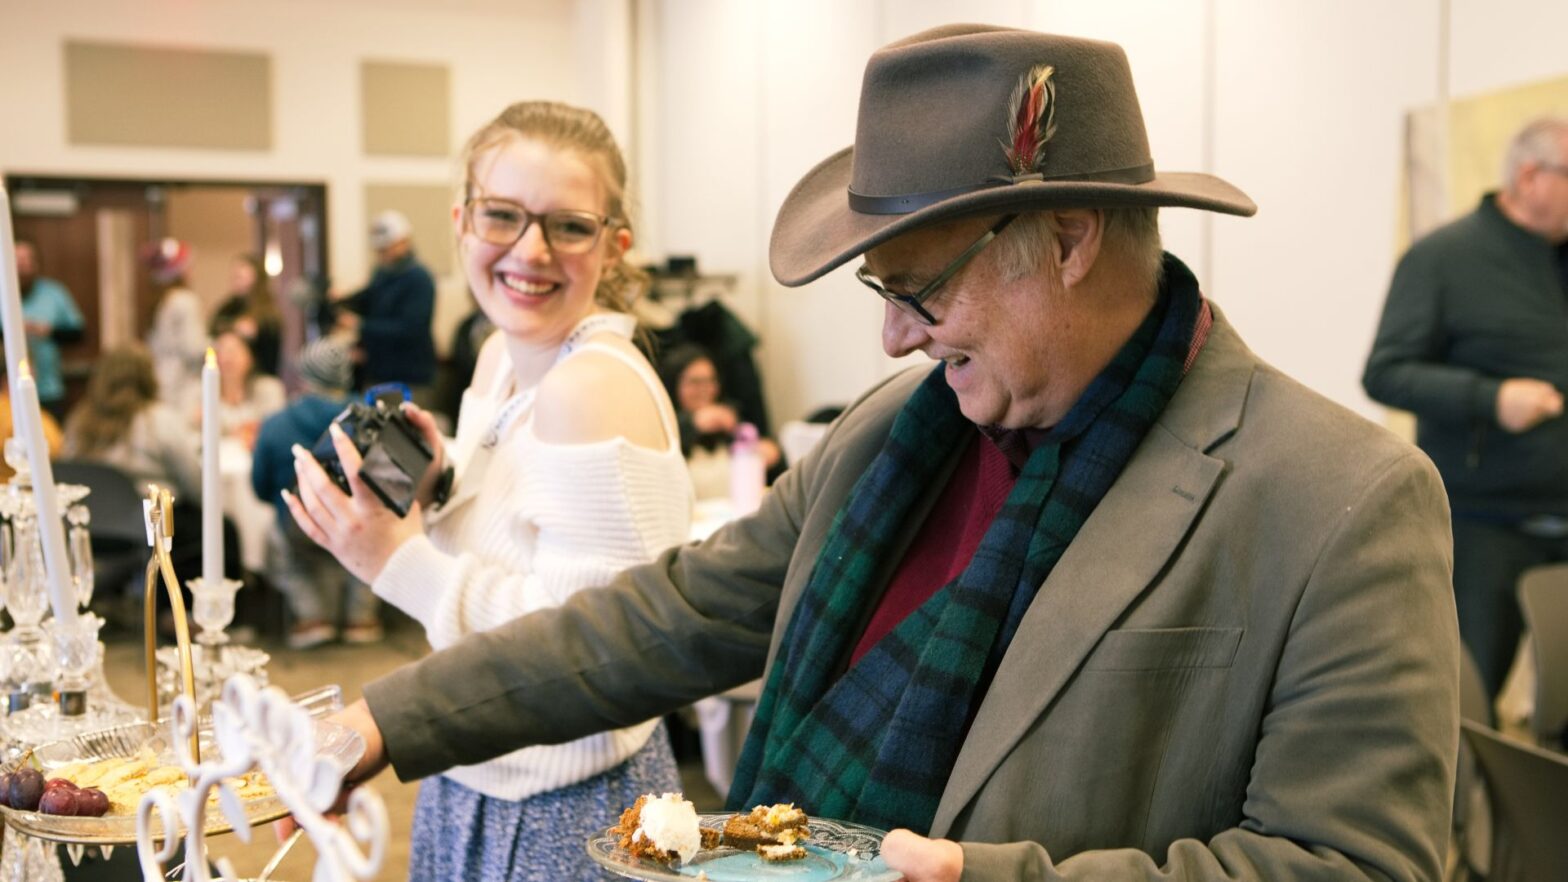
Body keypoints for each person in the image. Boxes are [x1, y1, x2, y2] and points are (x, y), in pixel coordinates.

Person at [301, 27, 1459, 881]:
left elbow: (1351, 863)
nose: (893, 335)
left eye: (921, 286)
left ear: (1064, 238)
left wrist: (993, 880)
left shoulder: (1337, 501)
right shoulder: (884, 441)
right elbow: (664, 619)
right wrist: (386, 721)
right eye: (882, 288)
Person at [287, 101, 691, 879]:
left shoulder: (591, 387)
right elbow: (521, 543)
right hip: (473, 764)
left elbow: (598, 655)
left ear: (614, 247)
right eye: (502, 216)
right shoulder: (501, 359)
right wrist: (438, 489)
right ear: (463, 224)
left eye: (567, 226)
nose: (528, 251)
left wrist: (392, 561)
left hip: (567, 802)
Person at [1365, 116, 1568, 699]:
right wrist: (1492, 399)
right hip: (1484, 531)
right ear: (1529, 176)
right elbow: (1386, 372)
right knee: (1462, 712)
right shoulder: (1444, 259)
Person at [62, 346, 239, 590]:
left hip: (92, 528)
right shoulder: (158, 419)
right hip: (151, 526)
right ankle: (188, 612)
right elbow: (195, 483)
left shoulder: (78, 421)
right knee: (223, 529)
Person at [252, 338, 380, 648]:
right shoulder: (371, 422)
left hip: (302, 524)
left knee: (282, 539)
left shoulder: (275, 424)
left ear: (303, 377)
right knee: (372, 526)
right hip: (361, 521)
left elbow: (260, 487)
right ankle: (360, 617)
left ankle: (311, 617)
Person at [333, 210, 438, 403]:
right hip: (377, 374)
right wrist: (341, 300)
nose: (381, 254)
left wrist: (360, 326)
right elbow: (367, 298)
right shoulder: (382, 273)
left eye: (385, 249)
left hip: (409, 379)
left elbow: (411, 328)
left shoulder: (419, 278)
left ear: (403, 242)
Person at [659, 342, 782, 499]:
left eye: (711, 381)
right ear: (673, 385)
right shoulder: (662, 429)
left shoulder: (730, 420)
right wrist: (692, 424)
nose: (705, 389)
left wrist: (769, 452)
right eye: (695, 382)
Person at [14, 239, 85, 422]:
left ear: (36, 264)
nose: (22, 268)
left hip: (49, 390)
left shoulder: (54, 293)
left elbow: (78, 333)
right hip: (8, 392)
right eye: (17, 261)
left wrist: (50, 332)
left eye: (26, 261)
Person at [143, 238, 207, 420]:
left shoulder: (161, 300)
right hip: (182, 381)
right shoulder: (185, 300)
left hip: (160, 375)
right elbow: (193, 347)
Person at [211, 329, 285, 448]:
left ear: (250, 357)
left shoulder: (269, 388)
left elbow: (276, 431)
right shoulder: (202, 392)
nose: (227, 358)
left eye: (233, 351)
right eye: (221, 351)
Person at [211, 254, 283, 376]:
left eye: (240, 276)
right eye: (234, 276)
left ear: (256, 278)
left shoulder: (267, 312)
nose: (236, 280)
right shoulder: (228, 308)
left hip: (260, 373)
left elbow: (271, 341)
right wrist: (234, 328)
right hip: (231, 376)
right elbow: (214, 328)